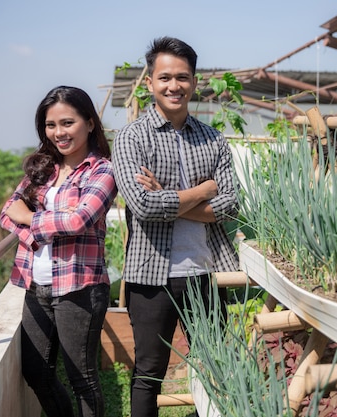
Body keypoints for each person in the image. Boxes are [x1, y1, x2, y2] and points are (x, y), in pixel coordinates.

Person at [112, 36, 239, 417]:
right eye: (164, 77)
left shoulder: (212, 138)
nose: (174, 86)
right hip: (152, 276)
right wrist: (201, 191)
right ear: (149, 83)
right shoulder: (131, 137)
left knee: (215, 368)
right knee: (150, 373)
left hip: (205, 272)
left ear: (195, 82)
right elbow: (141, 205)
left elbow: (229, 206)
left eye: (182, 77)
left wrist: (166, 197)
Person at [0, 86, 117, 417]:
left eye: (67, 123)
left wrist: (31, 218)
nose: (58, 133)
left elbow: (80, 219)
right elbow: (8, 212)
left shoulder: (102, 170)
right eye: (51, 125)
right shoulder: (43, 168)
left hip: (80, 288)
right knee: (36, 372)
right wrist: (43, 228)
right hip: (35, 287)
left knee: (83, 380)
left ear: (90, 123)